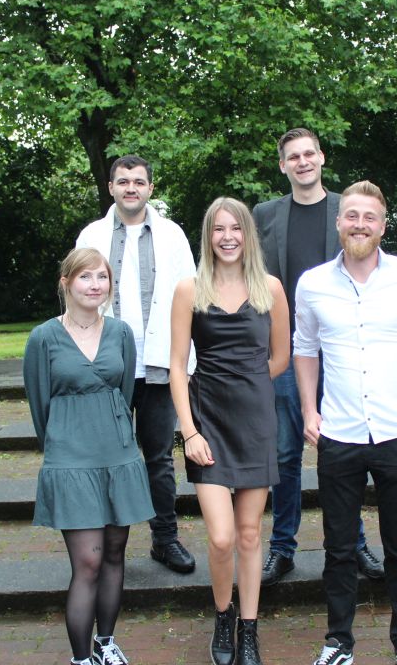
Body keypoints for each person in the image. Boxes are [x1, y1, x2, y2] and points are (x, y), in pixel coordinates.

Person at [295, 181, 397, 665]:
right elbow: (304, 347)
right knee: (338, 547)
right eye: (351, 215)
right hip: (338, 435)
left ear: (383, 227)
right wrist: (308, 410)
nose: (360, 224)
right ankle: (338, 642)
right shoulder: (312, 283)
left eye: (369, 217)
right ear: (338, 222)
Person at [252, 127, 385, 586]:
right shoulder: (265, 215)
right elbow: (256, 281)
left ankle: (355, 543)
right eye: (293, 156)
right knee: (285, 453)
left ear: (322, 157)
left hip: (343, 349)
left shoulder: (347, 210)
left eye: (309, 153)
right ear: (282, 165)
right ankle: (282, 547)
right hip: (288, 351)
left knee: (347, 451)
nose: (303, 162)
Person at [170, 197, 290, 665]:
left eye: (235, 228)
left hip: (255, 423)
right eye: (218, 229)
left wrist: (248, 383)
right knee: (221, 538)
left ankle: (250, 629)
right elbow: (177, 367)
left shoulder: (270, 288)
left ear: (247, 234)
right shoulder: (189, 289)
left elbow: (280, 357)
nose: (227, 237)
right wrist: (190, 431)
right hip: (208, 424)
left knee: (249, 534)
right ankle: (224, 616)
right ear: (208, 236)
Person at [23, 248, 155, 665]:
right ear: (66, 283)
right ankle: (81, 658)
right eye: (85, 276)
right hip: (70, 459)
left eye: (101, 277)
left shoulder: (121, 333)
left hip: (117, 455)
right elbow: (39, 404)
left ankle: (106, 643)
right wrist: (62, 446)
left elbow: (126, 394)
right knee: (88, 561)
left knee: (114, 554)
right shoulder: (43, 337)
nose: (94, 285)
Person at [76, 154, 198, 575]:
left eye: (139, 181)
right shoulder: (91, 235)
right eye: (123, 181)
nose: (131, 188)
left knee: (159, 459)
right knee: (105, 456)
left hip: (159, 365)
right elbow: (76, 296)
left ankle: (165, 539)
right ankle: (104, 543)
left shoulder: (172, 235)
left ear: (150, 188)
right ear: (111, 187)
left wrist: (188, 361)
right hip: (105, 367)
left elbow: (190, 296)